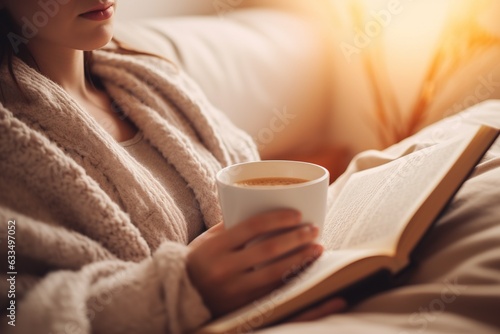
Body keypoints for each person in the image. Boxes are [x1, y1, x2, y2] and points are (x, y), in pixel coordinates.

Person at [0, 1, 345, 333]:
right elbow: (14, 314)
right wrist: (178, 291)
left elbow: (249, 176)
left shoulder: (154, 80)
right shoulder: (11, 143)